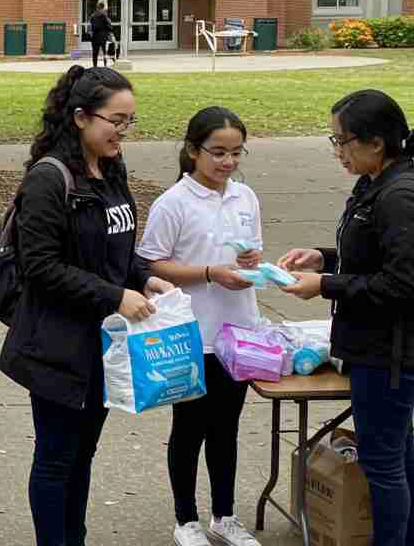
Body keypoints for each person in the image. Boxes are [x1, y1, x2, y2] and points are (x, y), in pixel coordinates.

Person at [0, 65, 173, 546]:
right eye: (115, 120)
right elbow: (41, 267)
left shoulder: (111, 169)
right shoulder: (48, 179)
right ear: (80, 117)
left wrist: (144, 277)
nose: (123, 131)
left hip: (105, 344)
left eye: (130, 121)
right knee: (56, 458)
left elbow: (116, 248)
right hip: (57, 345)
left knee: (82, 454)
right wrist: (114, 295)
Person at [279, 89, 414, 546]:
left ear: (375, 142)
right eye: (333, 140)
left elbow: (402, 284)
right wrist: (324, 258)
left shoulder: (401, 196)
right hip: (378, 345)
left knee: (383, 462)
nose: (337, 150)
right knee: (397, 450)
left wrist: (325, 285)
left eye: (342, 140)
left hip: (393, 351)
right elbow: (372, 257)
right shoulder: (376, 183)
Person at [137, 107, 264, 546]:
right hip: (192, 334)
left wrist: (251, 262)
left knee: (227, 429)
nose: (228, 162)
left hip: (238, 332)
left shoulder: (245, 197)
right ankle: (185, 519)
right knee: (190, 428)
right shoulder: (174, 203)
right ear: (194, 150)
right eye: (218, 152)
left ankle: (224, 515)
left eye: (236, 152)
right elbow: (152, 264)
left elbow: (252, 255)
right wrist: (210, 273)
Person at [88, 2, 115, 68]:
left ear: (97, 7)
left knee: (95, 53)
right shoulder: (104, 16)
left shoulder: (92, 15)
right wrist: (110, 30)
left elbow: (91, 26)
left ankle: (95, 66)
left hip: (95, 37)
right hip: (103, 36)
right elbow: (109, 26)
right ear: (103, 7)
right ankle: (105, 65)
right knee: (104, 52)